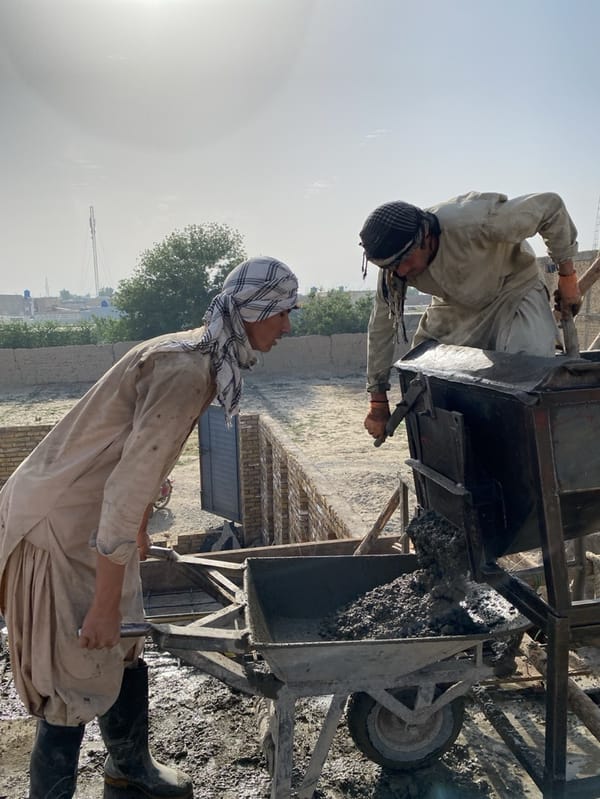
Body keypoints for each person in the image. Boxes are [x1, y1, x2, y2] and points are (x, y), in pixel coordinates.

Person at [0, 256, 298, 798]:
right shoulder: (186, 369)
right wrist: (103, 602)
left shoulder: (202, 355)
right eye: (281, 313)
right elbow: (125, 486)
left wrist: (134, 537)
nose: (288, 327)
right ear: (253, 310)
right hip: (60, 523)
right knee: (74, 667)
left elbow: (140, 463)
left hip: (98, 519)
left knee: (125, 639)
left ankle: (130, 766)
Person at [358, 191, 582, 441]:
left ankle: (525, 443)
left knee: (525, 374)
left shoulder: (475, 221)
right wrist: (377, 401)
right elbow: (381, 325)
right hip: (455, 306)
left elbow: (551, 207)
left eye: (405, 261)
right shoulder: (394, 264)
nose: (400, 271)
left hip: (513, 292)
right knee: (423, 370)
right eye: (391, 266)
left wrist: (567, 277)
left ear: (426, 237)